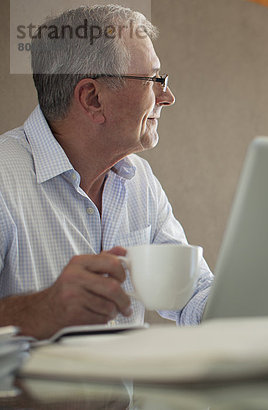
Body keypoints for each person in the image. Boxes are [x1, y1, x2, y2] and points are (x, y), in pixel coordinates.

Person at [0, 5, 213, 340]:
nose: (167, 96)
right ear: (93, 98)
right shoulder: (2, 178)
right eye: (153, 80)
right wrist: (45, 309)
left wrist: (258, 305)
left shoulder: (140, 179)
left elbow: (193, 294)